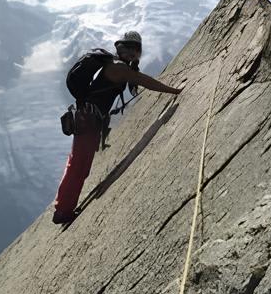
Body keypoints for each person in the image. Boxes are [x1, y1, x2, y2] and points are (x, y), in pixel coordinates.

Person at [52, 30, 181, 226]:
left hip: (88, 118)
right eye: (130, 49)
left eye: (135, 51)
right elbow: (145, 81)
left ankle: (64, 208)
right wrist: (174, 91)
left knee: (80, 164)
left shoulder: (115, 64)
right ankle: (62, 211)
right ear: (123, 49)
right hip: (89, 119)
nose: (132, 54)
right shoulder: (118, 67)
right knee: (78, 165)